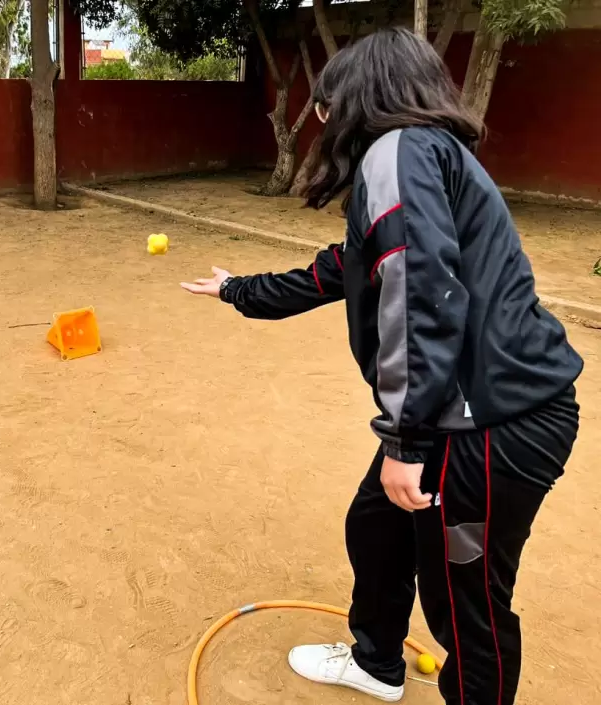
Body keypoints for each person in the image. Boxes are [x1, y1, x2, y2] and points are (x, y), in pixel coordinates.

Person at [181, 28, 582, 705]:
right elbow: (347, 267)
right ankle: (376, 659)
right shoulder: (426, 154)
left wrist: (404, 442)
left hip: (491, 426)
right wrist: (239, 290)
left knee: (466, 605)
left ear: (360, 97)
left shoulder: (398, 152)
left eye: (327, 102)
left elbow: (418, 290)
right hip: (464, 414)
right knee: (378, 522)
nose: (321, 117)